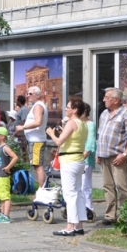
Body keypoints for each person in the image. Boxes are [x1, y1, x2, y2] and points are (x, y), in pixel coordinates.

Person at [46, 97, 89, 236]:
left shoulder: (72, 122)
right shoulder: (83, 124)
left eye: (68, 107)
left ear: (75, 109)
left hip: (69, 161)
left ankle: (70, 226)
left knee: (69, 194)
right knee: (78, 192)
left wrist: (51, 133)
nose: (66, 109)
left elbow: (59, 141)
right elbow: (73, 139)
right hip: (78, 160)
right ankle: (79, 225)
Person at [96, 88, 127, 225]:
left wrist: (125, 155)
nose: (103, 99)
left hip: (118, 157)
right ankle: (110, 216)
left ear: (116, 100)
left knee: (122, 186)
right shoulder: (104, 114)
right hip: (104, 156)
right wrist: (98, 152)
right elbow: (100, 135)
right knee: (108, 186)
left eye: (106, 97)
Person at [15, 86, 49, 190]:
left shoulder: (38, 106)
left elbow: (38, 122)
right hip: (35, 139)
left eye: (30, 94)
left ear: (38, 95)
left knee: (38, 166)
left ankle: (41, 190)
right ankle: (41, 189)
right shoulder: (36, 106)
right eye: (27, 93)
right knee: (37, 165)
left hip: (36, 140)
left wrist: (23, 127)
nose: (27, 96)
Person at [0, 127, 19, 224]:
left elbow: (15, 157)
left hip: (3, 175)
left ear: (2, 137)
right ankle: (2, 214)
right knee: (1, 196)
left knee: (5, 196)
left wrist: (8, 167)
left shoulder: (5, 147)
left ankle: (6, 216)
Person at [82, 103, 97, 222]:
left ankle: (89, 209)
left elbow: (91, 142)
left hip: (85, 159)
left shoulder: (90, 124)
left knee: (85, 185)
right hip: (75, 158)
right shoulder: (78, 124)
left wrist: (85, 154)